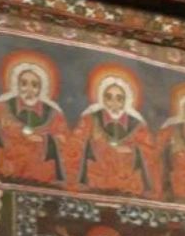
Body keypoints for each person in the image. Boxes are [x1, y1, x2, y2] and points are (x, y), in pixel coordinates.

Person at [0, 51, 68, 185]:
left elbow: (65, 142)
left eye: (35, 85)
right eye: (24, 83)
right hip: (5, 168)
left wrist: (44, 139)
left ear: (42, 88)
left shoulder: (54, 114)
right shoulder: (1, 107)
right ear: (16, 85)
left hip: (40, 172)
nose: (29, 89)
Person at [66, 65, 156, 196]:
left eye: (119, 98)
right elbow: (75, 145)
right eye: (109, 97)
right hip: (96, 177)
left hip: (128, 181)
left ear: (126, 101)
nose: (114, 103)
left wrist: (131, 150)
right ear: (102, 99)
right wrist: (98, 146)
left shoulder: (137, 125)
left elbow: (148, 153)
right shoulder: (90, 119)